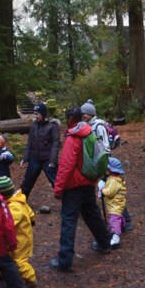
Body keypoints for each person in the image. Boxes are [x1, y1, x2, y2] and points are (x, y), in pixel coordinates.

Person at [49, 106, 113, 272]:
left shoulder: (73, 137)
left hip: (73, 186)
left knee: (69, 221)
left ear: (70, 119)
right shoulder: (88, 132)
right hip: (88, 182)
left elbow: (66, 165)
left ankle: (64, 260)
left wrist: (58, 188)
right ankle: (105, 243)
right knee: (92, 214)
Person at [81, 101, 133, 230]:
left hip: (103, 164)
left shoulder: (98, 126)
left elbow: (105, 147)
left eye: (85, 114)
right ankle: (121, 221)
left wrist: (100, 164)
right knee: (101, 189)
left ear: (90, 114)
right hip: (96, 164)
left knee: (113, 191)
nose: (83, 116)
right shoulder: (89, 126)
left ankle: (126, 221)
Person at [0, 176, 37, 288]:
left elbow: (8, 224)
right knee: (2, 253)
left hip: (20, 239)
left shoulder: (15, 206)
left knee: (19, 261)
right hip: (13, 237)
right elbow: (30, 213)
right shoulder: (17, 200)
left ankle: (31, 280)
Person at [19, 103, 59, 200]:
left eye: (37, 114)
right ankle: (20, 202)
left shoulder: (53, 126)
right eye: (34, 114)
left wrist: (53, 160)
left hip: (48, 159)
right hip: (34, 158)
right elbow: (30, 142)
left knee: (56, 182)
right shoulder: (34, 125)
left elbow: (56, 143)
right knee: (27, 182)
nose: (35, 116)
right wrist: (25, 157)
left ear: (43, 114)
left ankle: (69, 203)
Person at [99, 157, 127, 248]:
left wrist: (102, 188)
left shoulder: (113, 180)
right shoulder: (115, 178)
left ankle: (115, 238)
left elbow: (109, 193)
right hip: (118, 204)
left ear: (110, 170)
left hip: (115, 205)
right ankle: (123, 225)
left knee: (114, 220)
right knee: (118, 216)